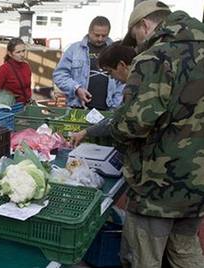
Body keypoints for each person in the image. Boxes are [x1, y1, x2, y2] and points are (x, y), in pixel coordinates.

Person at [111, 1, 204, 267]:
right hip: (198, 183)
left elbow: (136, 122)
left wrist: (113, 129)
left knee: (143, 258)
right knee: (186, 251)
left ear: (145, 25)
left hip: (158, 183)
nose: (137, 44)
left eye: (136, 36)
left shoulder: (156, 57)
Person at [70, 42, 137, 146]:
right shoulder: (135, 85)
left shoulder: (140, 89)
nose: (111, 78)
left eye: (110, 72)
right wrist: (86, 132)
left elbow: (122, 123)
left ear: (122, 65)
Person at [53, 16, 124, 111]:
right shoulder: (74, 50)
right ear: (89, 32)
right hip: (78, 108)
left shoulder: (116, 51)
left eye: (104, 36)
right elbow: (59, 75)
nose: (100, 39)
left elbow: (123, 81)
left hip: (109, 110)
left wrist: (116, 104)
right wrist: (77, 89)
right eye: (97, 35)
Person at [0, 38, 32, 104]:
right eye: (18, 52)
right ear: (10, 53)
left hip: (26, 105)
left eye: (23, 51)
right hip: (11, 108)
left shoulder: (26, 66)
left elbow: (27, 88)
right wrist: (7, 101)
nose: (22, 54)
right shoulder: (4, 69)